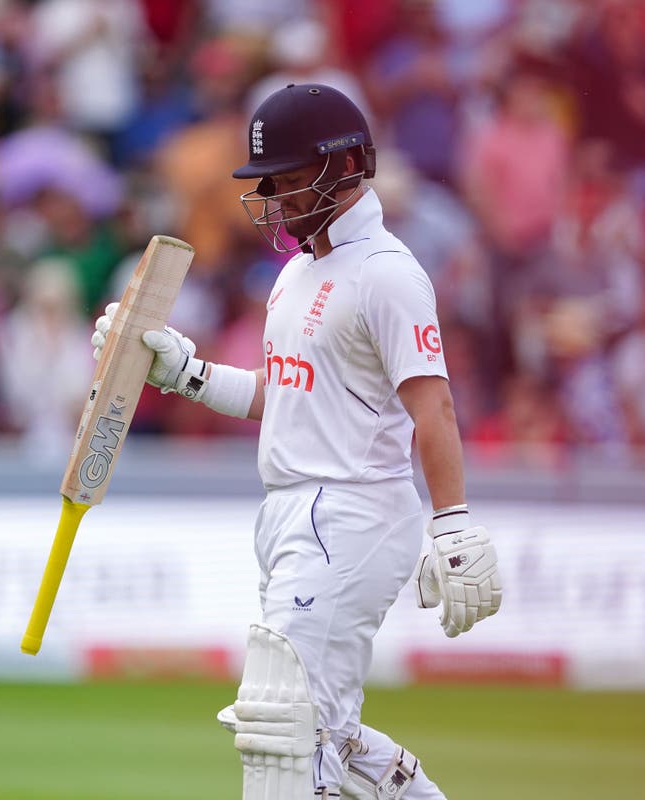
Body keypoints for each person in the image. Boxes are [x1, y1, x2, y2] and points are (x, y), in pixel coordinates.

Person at [92, 83, 502, 799]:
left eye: (283, 181)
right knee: (327, 729)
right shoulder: (299, 274)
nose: (271, 200)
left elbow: (433, 406)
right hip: (292, 511)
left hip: (353, 510)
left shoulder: (386, 274)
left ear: (341, 169)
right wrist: (183, 372)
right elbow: (279, 394)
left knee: (284, 723)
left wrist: (455, 523)